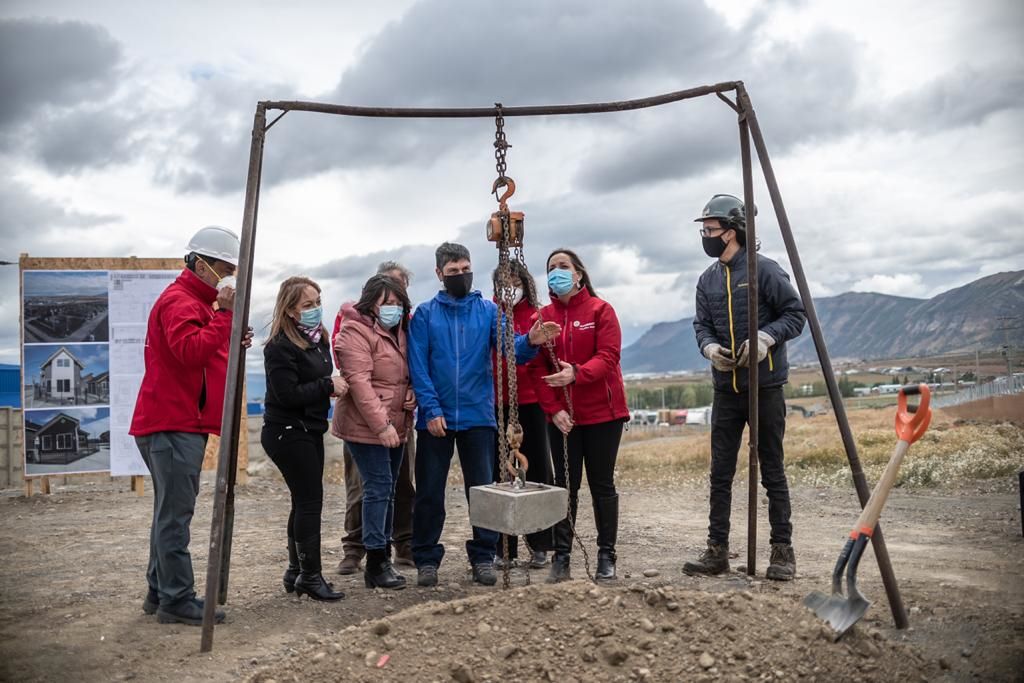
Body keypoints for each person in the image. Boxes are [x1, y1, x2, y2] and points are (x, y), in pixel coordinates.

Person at [408, 242, 559, 587]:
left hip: (478, 415)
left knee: (483, 490)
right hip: (437, 417)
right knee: (430, 491)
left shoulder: (489, 312)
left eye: (465, 269)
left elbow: (512, 350)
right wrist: (430, 409)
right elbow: (419, 367)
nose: (460, 276)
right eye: (452, 272)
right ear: (439, 274)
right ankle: (427, 558)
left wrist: (531, 340)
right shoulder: (426, 315)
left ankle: (483, 555)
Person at [130, 225, 253, 625]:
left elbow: (205, 346)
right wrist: (225, 320)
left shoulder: (198, 303)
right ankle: (176, 600)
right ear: (200, 264)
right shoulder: (180, 301)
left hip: (178, 422)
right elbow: (188, 352)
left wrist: (229, 332)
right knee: (174, 517)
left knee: (168, 513)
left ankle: (159, 591)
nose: (229, 276)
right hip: (173, 424)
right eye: (224, 267)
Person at [683, 193, 806, 580]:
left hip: (765, 386)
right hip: (726, 389)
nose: (705, 235)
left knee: (772, 470)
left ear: (732, 231)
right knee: (720, 473)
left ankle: (782, 552)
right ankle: (716, 551)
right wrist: (709, 347)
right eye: (704, 229)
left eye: (710, 229)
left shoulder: (765, 271)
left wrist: (767, 339)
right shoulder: (707, 280)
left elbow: (795, 314)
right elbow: (700, 324)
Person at [532, 248, 630, 583]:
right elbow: (536, 369)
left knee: (602, 485)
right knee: (565, 486)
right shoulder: (542, 317)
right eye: (550, 268)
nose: (556, 272)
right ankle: (562, 557)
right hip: (563, 419)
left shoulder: (601, 310)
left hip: (603, 413)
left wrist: (577, 373)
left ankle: (607, 555)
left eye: (563, 267)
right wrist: (553, 409)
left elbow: (609, 355)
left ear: (578, 274)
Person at [262, 276, 346, 601]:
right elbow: (286, 395)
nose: (315, 309)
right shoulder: (280, 346)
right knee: (310, 502)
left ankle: (296, 571)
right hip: (287, 431)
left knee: (303, 502)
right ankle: (311, 576)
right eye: (307, 305)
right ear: (291, 310)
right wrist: (328, 386)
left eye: (317, 302)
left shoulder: (318, 339)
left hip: (310, 429)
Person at [333, 262, 417, 574]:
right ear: (371, 301)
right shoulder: (355, 328)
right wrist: (381, 425)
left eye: (398, 301)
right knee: (374, 488)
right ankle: (372, 559)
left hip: (398, 422)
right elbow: (359, 382)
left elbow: (410, 370)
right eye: (387, 302)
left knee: (391, 487)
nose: (393, 307)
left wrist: (414, 392)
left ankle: (388, 554)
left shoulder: (402, 330)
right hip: (367, 426)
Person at [491, 261, 554, 570]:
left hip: (531, 401)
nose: (509, 286)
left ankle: (541, 543)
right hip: (495, 402)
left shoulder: (537, 315)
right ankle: (505, 546)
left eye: (515, 280)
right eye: (503, 280)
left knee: (537, 470)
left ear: (525, 283)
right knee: (501, 474)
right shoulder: (491, 313)